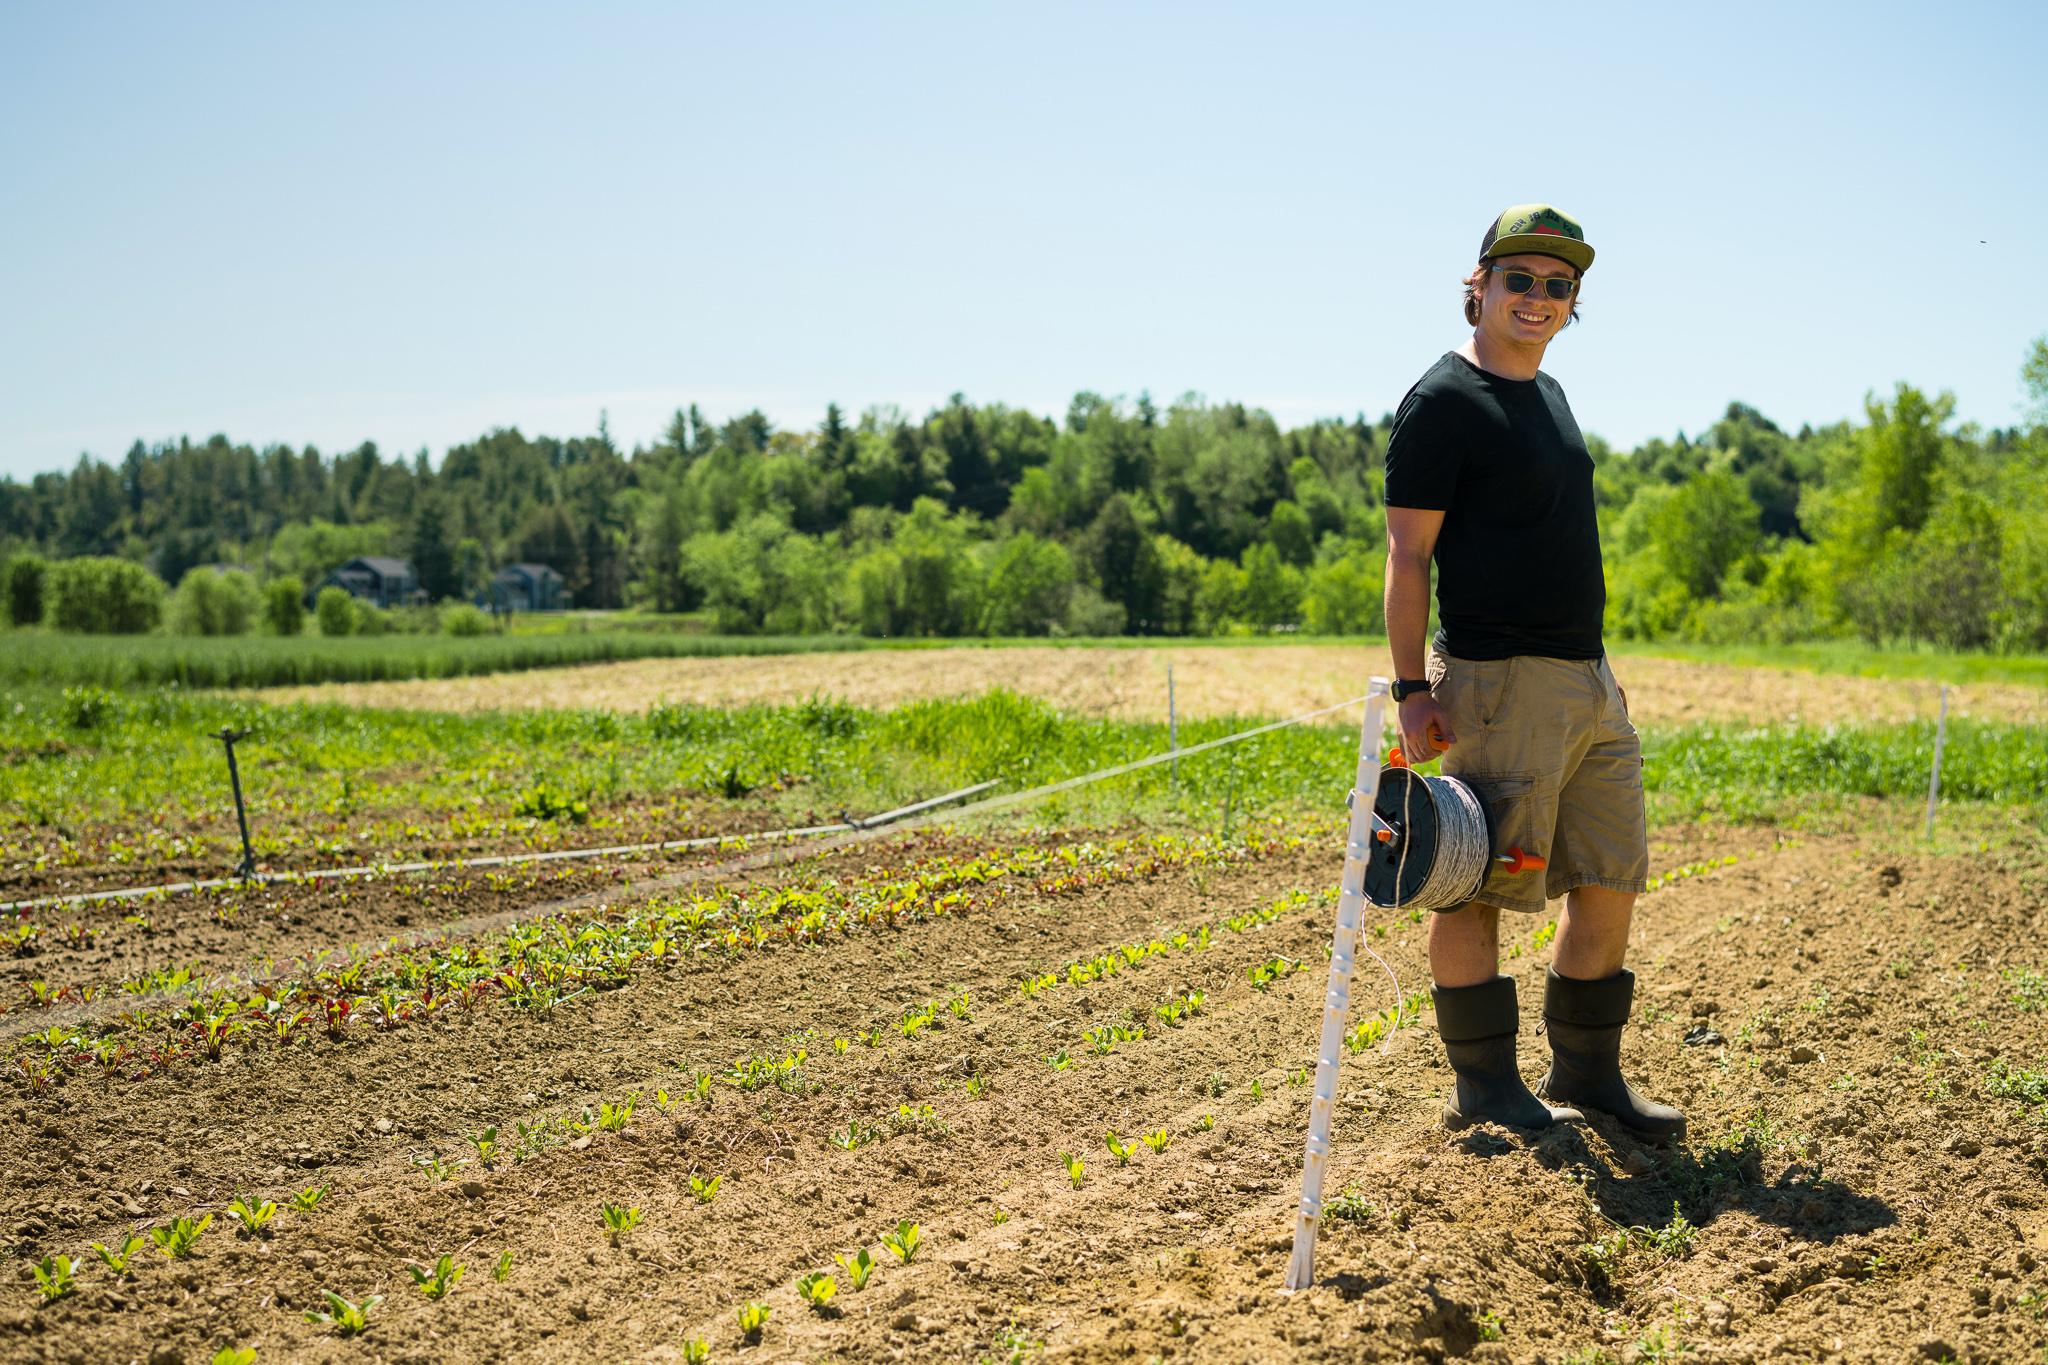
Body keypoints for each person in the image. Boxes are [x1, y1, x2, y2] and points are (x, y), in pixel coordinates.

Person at [1380, 204, 1685, 1139]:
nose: (1540, 299)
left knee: (1609, 871)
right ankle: (1486, 1087)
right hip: (1501, 687)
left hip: (1587, 684)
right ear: (1479, 286)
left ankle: (1588, 1072)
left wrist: (1598, 673)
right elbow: (1407, 556)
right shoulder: (1444, 402)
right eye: (1522, 280)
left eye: (1560, 287)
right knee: (1488, 877)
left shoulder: (1549, 397)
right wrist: (1413, 690)